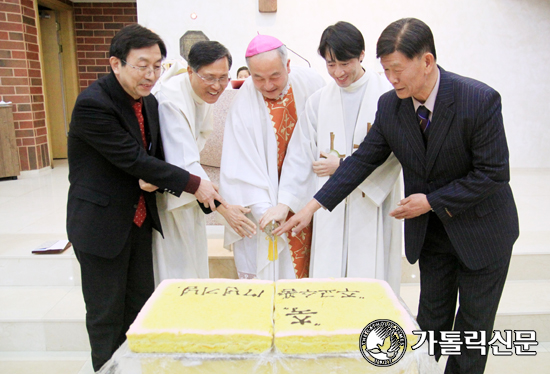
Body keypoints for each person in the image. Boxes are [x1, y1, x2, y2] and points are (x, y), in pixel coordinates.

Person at [275, 18, 519, 374]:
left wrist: (431, 201)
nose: (391, 79)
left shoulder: (478, 100)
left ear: (427, 61)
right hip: (434, 234)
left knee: (472, 327)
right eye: (386, 70)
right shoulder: (391, 105)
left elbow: (493, 173)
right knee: (431, 320)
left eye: (397, 70)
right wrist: (311, 207)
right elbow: (362, 161)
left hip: (483, 232)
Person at [66, 24, 226, 371]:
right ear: (116, 63)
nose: (151, 74)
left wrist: (158, 180)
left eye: (158, 65)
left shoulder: (149, 102)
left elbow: (154, 161)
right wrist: (195, 183)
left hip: (138, 224)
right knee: (106, 315)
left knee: (140, 309)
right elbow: (134, 160)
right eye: (142, 65)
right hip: (102, 226)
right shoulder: (94, 104)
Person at [274, 21, 402, 293]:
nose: (338, 72)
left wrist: (342, 166)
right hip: (329, 203)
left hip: (371, 200)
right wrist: (286, 201)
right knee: (329, 279)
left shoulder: (387, 95)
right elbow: (299, 154)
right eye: (330, 64)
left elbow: (394, 153)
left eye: (345, 63)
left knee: (369, 279)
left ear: (362, 55)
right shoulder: (319, 101)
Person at [219, 34, 325, 280]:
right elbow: (239, 167)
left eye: (275, 76)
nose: (267, 85)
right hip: (265, 204)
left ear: (288, 65)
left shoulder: (311, 84)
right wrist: (264, 212)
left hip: (307, 195)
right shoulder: (243, 102)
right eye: (258, 78)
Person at [152, 41, 256, 283]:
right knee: (178, 267)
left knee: (194, 263)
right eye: (209, 77)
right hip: (173, 195)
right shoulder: (171, 101)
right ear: (190, 71)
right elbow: (184, 164)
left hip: (191, 194)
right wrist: (225, 210)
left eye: (223, 78)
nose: (217, 86)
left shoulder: (198, 94)